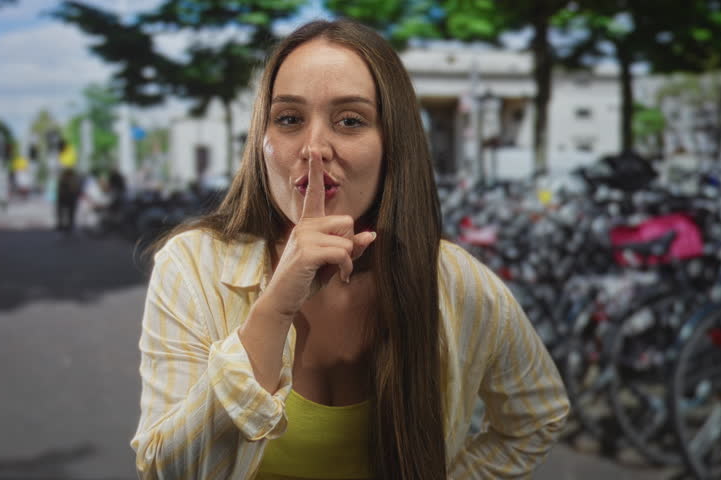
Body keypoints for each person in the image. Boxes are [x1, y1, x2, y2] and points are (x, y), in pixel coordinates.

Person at [131, 19, 569, 480]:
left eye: (350, 121)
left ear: (392, 144)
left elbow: (538, 416)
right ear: (262, 141)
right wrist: (274, 310)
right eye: (289, 119)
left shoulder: (454, 281)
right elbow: (167, 470)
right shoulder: (192, 266)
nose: (314, 147)